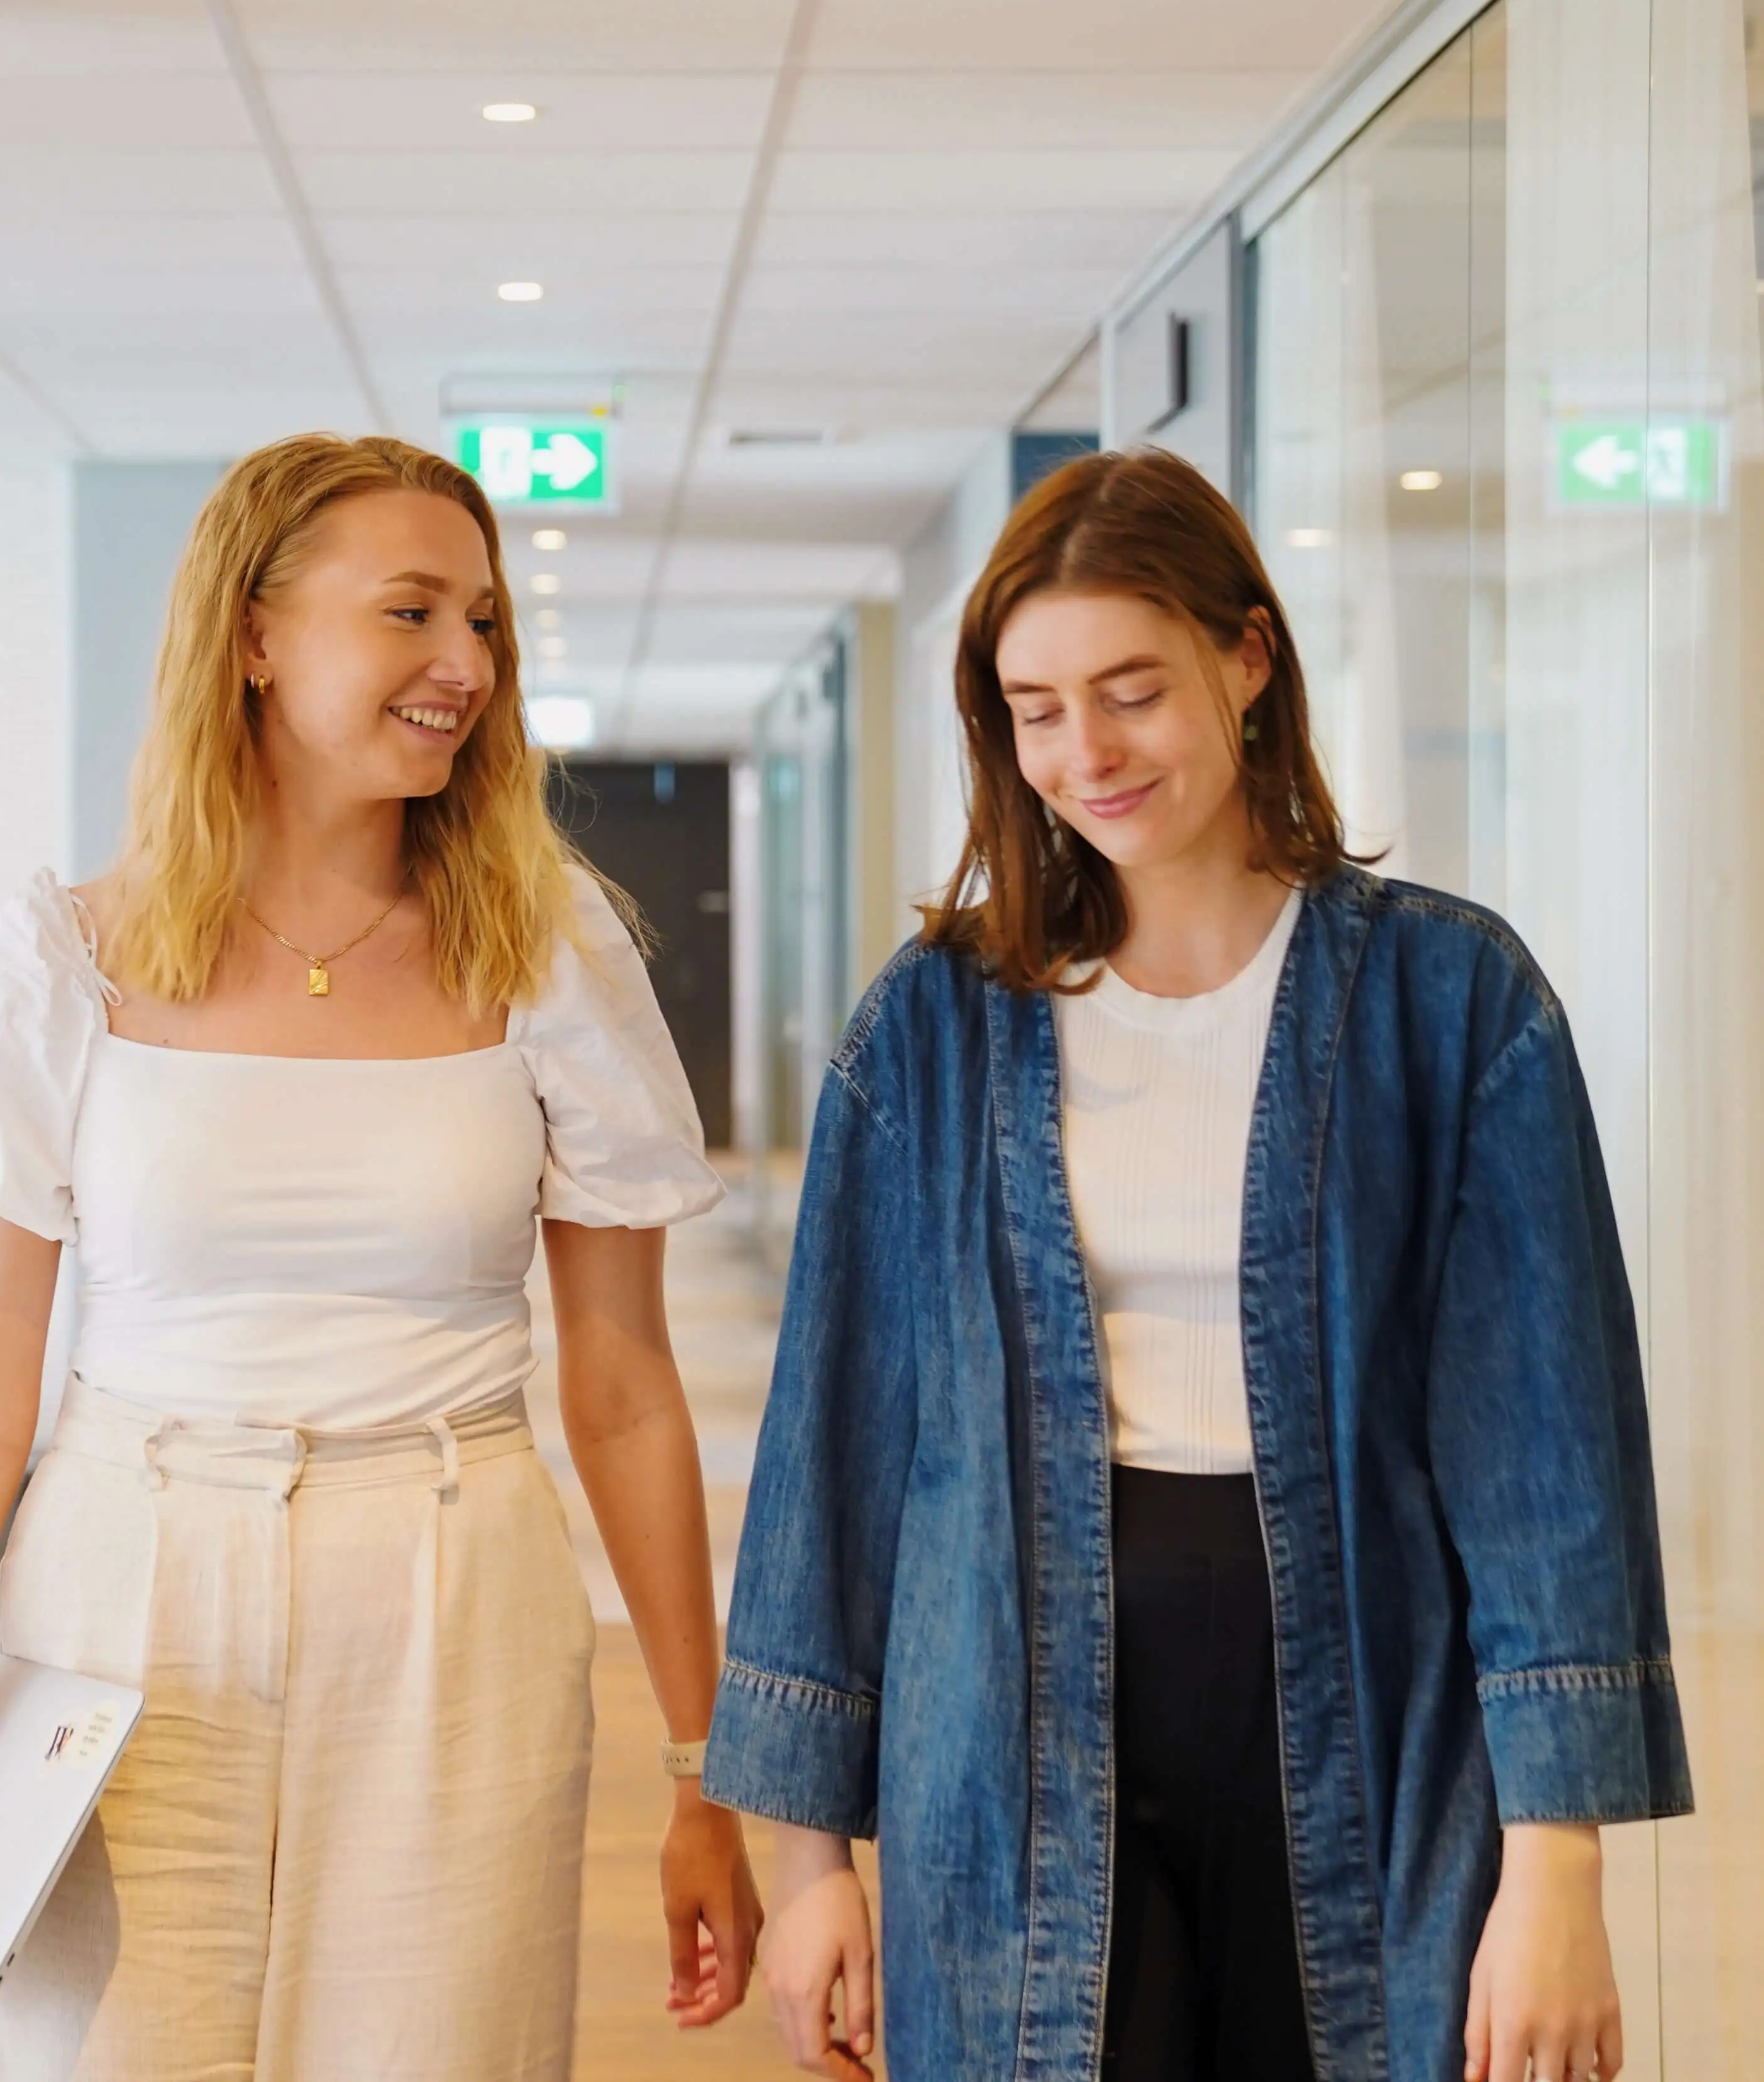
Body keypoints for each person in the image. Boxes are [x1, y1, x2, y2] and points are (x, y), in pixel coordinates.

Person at [709, 449, 1690, 2082]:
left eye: (1130, 689)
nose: (1083, 752)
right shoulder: (936, 1027)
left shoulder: (1452, 1006)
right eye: (1035, 709)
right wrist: (808, 1863)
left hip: (1377, 1712)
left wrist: (1559, 1869)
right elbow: (838, 1442)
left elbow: (1549, 1464)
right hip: (1010, 1716)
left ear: (1248, 659)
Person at [0, 432, 762, 2078]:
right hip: (125, 1606)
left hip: (454, 1596)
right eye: (409, 613)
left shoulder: (552, 951)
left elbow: (620, 1387)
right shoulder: (67, 956)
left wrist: (703, 1769)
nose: (463, 664)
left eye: (482, 625)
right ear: (255, 637)